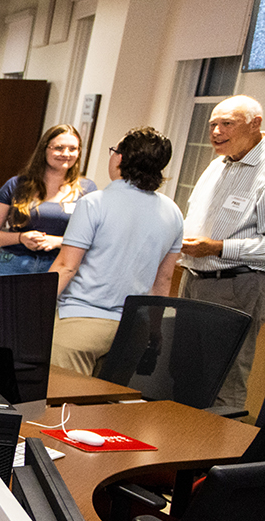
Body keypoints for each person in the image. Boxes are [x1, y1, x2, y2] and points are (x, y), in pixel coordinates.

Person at [49, 127, 185, 375]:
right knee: (105, 410)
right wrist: (155, 331)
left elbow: (66, 266)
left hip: (80, 325)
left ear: (120, 158)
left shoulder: (95, 203)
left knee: (62, 409)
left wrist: (33, 308)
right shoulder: (173, 212)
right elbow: (162, 281)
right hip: (133, 329)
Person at [179, 94, 265, 410]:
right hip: (192, 278)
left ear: (256, 124)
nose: (216, 131)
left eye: (226, 123)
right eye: (213, 123)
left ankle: (221, 455)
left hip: (235, 284)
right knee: (182, 371)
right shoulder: (217, 164)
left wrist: (218, 248)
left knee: (224, 378)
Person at [0, 124, 96, 276]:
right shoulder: (16, 184)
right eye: (59, 148)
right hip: (12, 264)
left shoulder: (87, 189)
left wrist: (57, 241)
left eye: (73, 149)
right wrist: (21, 238)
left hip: (59, 266)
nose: (66, 153)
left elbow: (92, 240)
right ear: (44, 149)